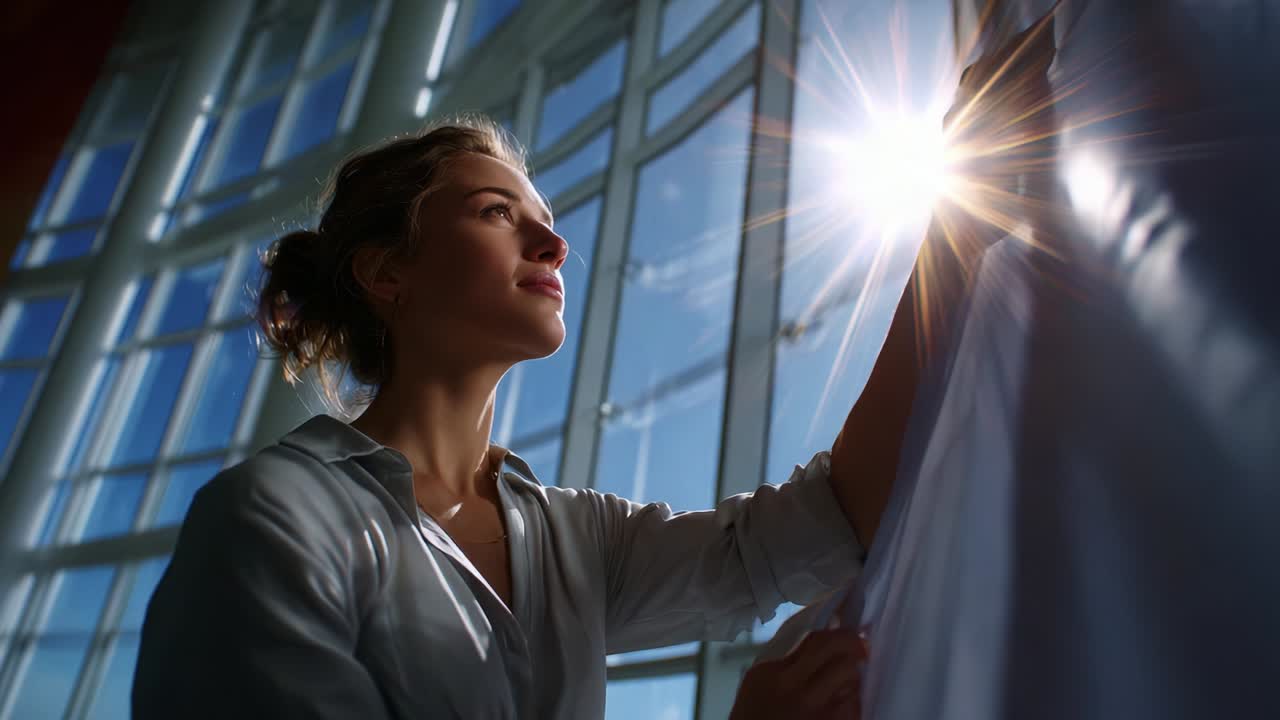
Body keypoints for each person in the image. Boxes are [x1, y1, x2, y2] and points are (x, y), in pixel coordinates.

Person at [131, 116, 919, 719]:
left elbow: (821, 525)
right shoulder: (270, 518)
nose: (553, 243)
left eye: (542, 218)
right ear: (386, 271)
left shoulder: (574, 539)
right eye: (496, 212)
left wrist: (960, 242)